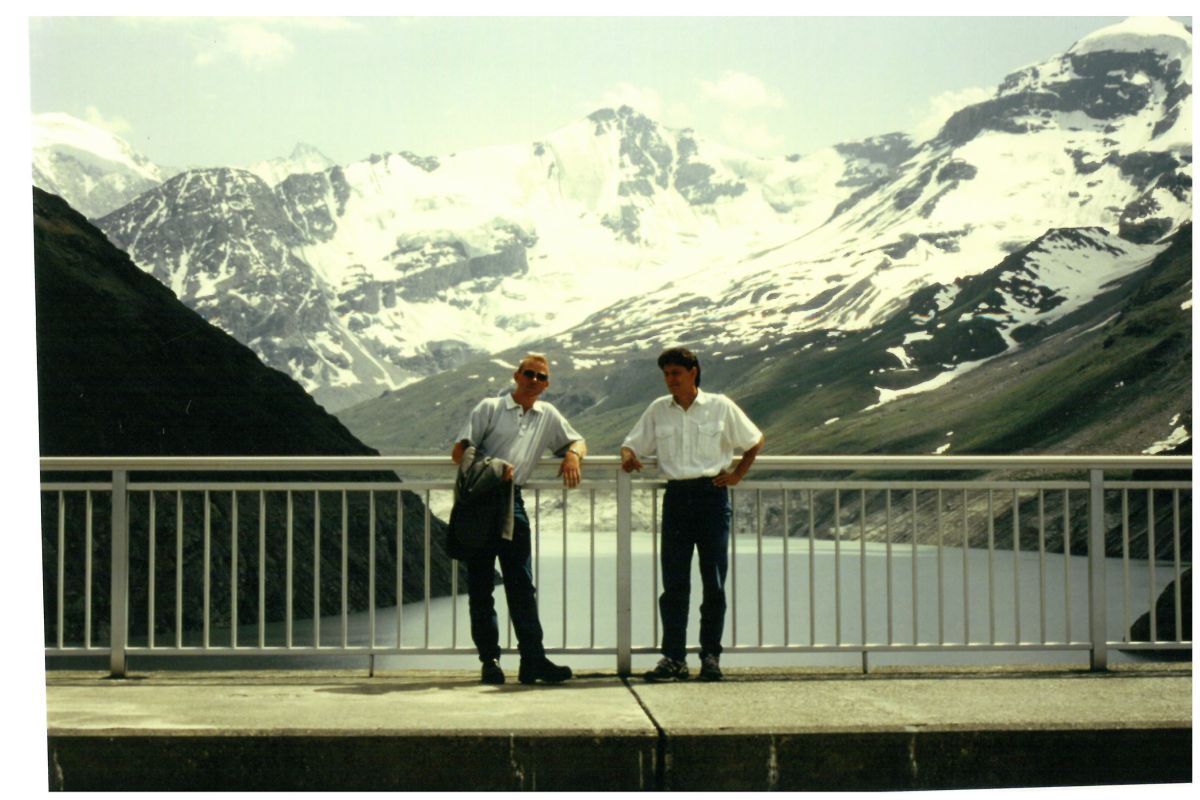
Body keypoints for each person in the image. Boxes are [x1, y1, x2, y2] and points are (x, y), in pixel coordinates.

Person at [620, 347, 763, 682]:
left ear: (693, 372)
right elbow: (632, 443)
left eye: (676, 373)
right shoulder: (658, 409)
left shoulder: (720, 406)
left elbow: (754, 440)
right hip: (677, 499)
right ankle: (674, 659)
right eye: (666, 374)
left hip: (711, 496)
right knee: (674, 583)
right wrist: (628, 455)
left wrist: (738, 474)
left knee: (714, 582)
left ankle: (710, 657)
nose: (670, 380)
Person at [451, 353, 587, 685]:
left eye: (541, 377)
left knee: (521, 585)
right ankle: (490, 662)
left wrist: (572, 454)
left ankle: (533, 661)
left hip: (514, 502)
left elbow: (578, 440)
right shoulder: (490, 408)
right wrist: (495, 467)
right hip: (480, 502)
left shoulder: (547, 415)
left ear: (547, 384)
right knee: (481, 586)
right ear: (516, 375)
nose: (534, 381)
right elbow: (460, 452)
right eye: (529, 374)